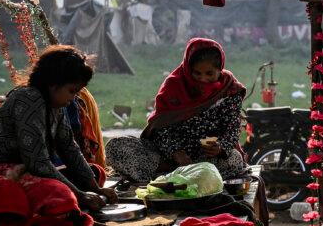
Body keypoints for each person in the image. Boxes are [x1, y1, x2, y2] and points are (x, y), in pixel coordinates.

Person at [0, 45, 116, 211]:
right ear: (53, 84)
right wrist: (81, 195)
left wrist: (95, 188)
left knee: (95, 173)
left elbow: (69, 148)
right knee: (59, 192)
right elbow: (37, 163)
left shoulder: (55, 106)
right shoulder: (29, 99)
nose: (73, 99)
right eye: (71, 91)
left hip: (25, 171)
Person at [106, 38, 247, 181]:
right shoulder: (174, 85)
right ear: (187, 69)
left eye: (209, 74)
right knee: (116, 146)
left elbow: (232, 129)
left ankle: (178, 177)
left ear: (220, 70)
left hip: (207, 158)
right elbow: (160, 127)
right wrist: (176, 152)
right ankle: (182, 174)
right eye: (197, 73)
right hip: (166, 157)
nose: (202, 79)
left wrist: (220, 147)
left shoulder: (229, 89)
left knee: (233, 160)